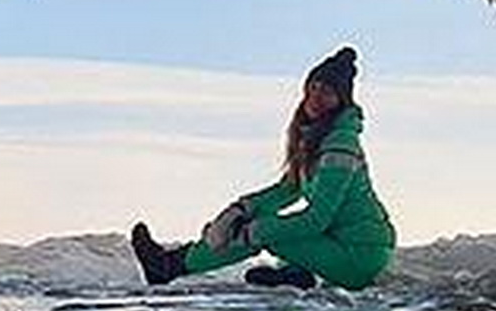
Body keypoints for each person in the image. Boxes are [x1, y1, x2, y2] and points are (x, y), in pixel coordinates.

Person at [130, 46, 395, 291]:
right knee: (258, 223)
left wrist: (252, 231)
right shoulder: (314, 138)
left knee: (265, 232)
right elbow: (288, 189)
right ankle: (297, 274)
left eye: (327, 91)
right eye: (313, 87)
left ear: (341, 99)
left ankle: (168, 266)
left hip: (359, 254)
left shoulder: (340, 145)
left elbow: (318, 219)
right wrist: (240, 209)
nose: (316, 97)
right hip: (347, 243)